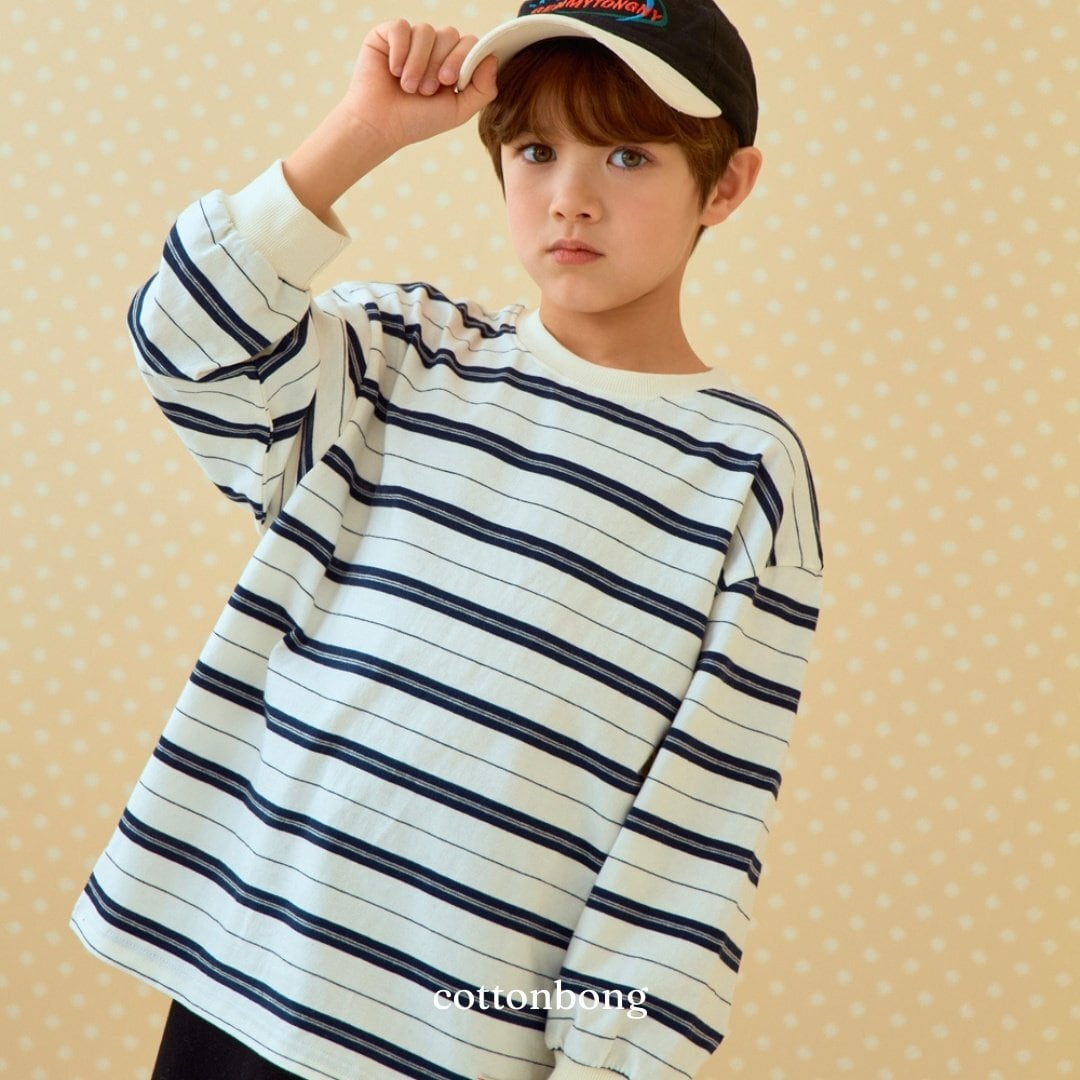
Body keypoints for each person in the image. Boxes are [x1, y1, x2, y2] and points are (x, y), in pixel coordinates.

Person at [70, 2, 824, 1078]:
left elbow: (695, 833)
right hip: (248, 982)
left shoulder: (745, 473)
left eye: (628, 155)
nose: (570, 196)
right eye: (536, 150)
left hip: (462, 1040)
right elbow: (182, 341)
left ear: (728, 185)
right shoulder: (405, 355)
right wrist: (360, 133)